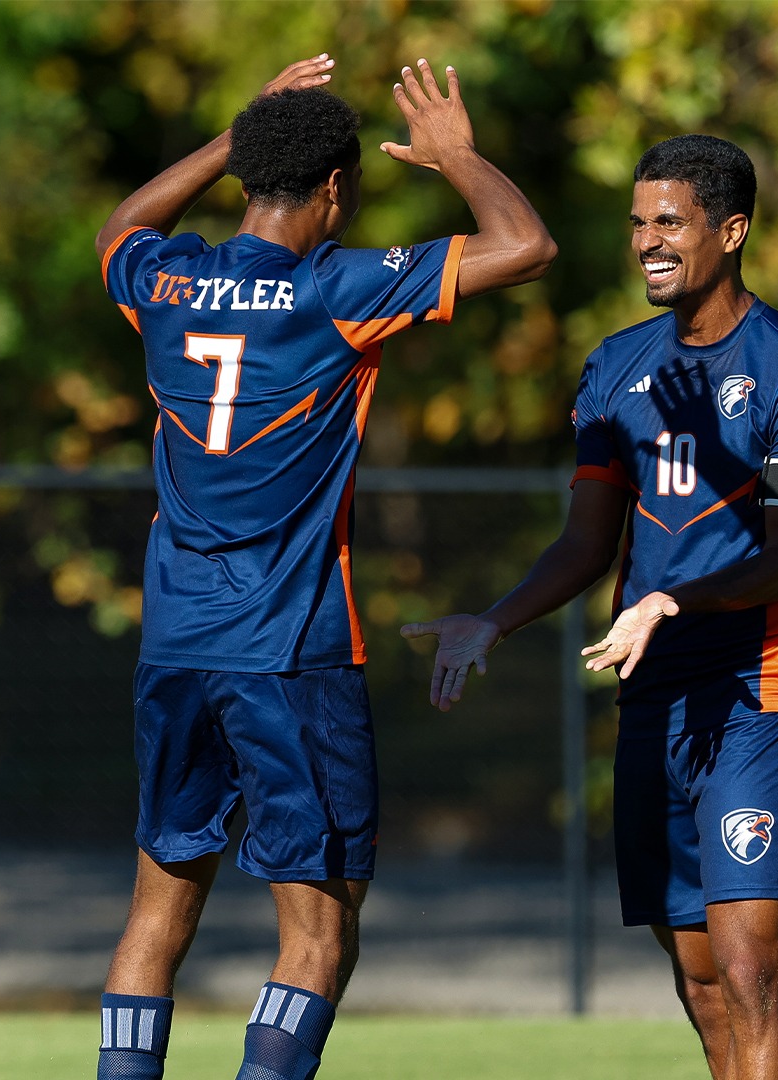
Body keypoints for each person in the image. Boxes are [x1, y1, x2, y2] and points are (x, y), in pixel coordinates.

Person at [92, 54, 553, 1080]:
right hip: (290, 652)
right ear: (337, 189)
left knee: (155, 917)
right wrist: (457, 156)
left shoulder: (167, 283)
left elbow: (115, 232)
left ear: (247, 175)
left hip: (175, 647)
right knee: (318, 937)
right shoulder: (332, 291)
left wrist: (236, 133)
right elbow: (525, 245)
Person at [403, 134, 778, 1080]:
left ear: (730, 232)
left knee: (749, 970)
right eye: (639, 221)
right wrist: (496, 617)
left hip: (758, 694)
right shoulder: (614, 367)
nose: (648, 240)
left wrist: (669, 605)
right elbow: (584, 544)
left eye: (671, 222)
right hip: (653, 703)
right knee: (697, 981)